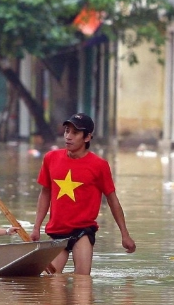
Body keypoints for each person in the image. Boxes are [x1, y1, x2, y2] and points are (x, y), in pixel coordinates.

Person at [32, 113, 136, 275]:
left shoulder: (99, 165)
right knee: (51, 283)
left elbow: (112, 200)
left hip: (83, 231)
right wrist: (36, 227)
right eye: (67, 131)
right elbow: (45, 193)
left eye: (75, 133)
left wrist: (125, 235)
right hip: (57, 232)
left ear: (87, 137)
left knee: (82, 283)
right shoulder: (51, 158)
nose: (68, 137)